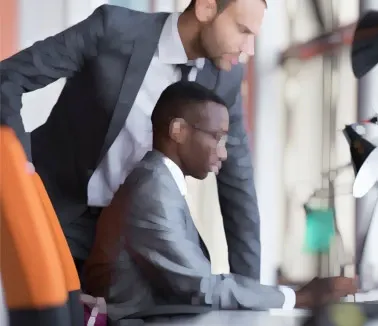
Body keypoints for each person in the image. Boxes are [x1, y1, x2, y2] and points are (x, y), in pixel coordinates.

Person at [0, 0, 265, 279]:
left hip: (133, 241)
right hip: (54, 214)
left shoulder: (226, 79)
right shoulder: (113, 29)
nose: (249, 49)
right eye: (242, 30)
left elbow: (238, 185)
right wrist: (21, 172)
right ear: (206, 8)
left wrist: (250, 295)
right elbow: (9, 78)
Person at [82, 81, 357, 320]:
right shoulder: (152, 190)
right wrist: (298, 297)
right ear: (178, 130)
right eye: (217, 138)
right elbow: (203, 289)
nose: (223, 153)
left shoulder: (158, 181)